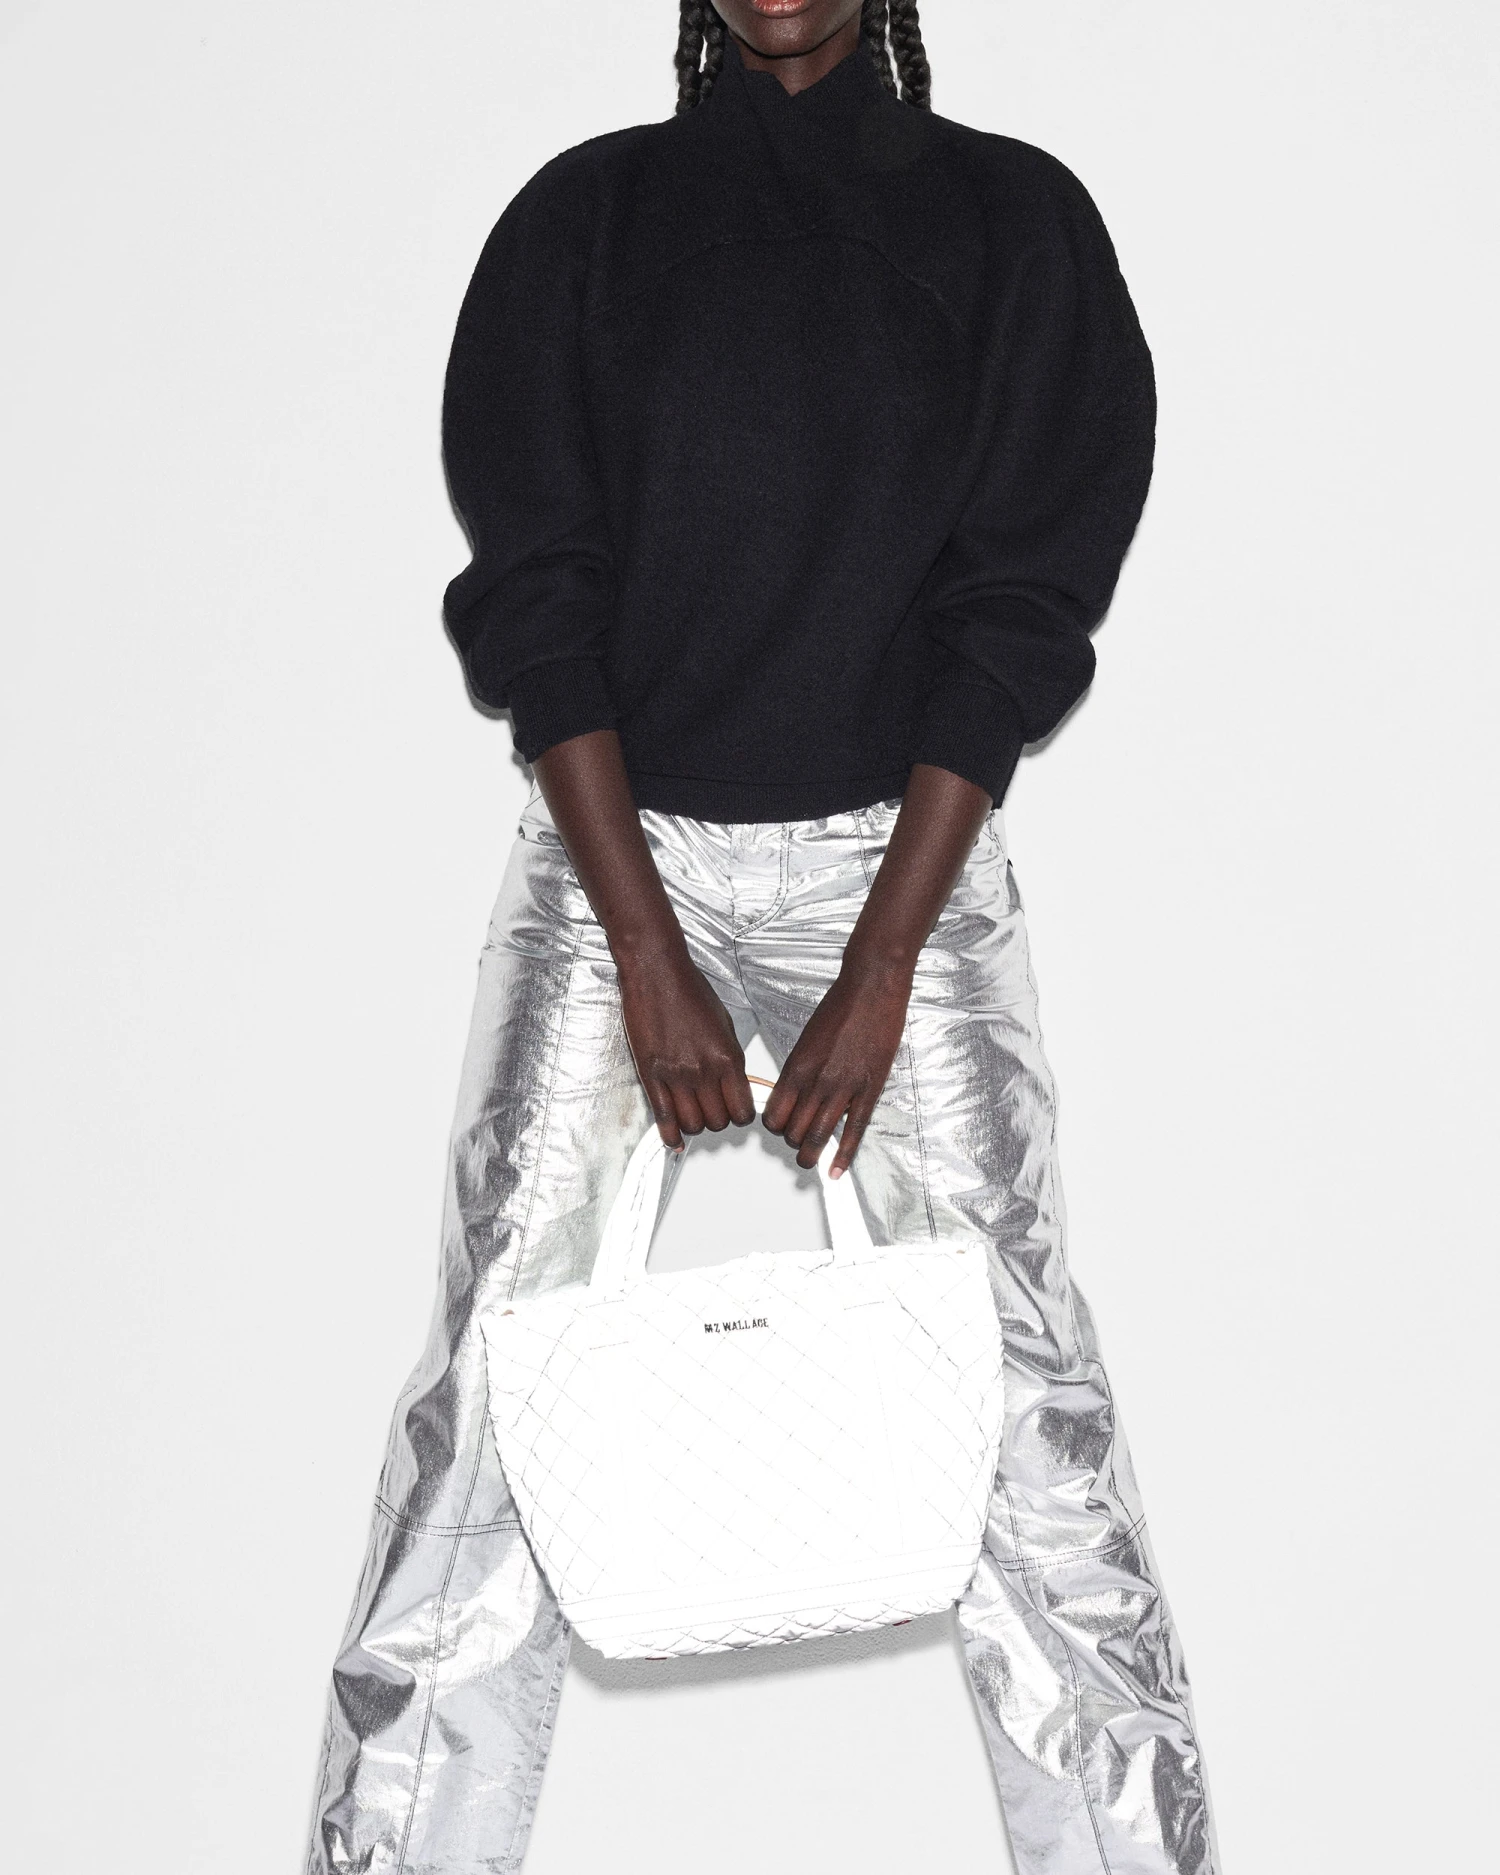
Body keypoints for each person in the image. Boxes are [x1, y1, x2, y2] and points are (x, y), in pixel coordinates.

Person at [305, 5, 1220, 1871]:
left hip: (906, 872)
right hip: (613, 870)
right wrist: (647, 948)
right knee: (488, 1412)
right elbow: (540, 594)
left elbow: (1021, 605)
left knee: (1028, 1425)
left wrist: (880, 966)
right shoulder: (584, 222)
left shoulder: (1014, 222)